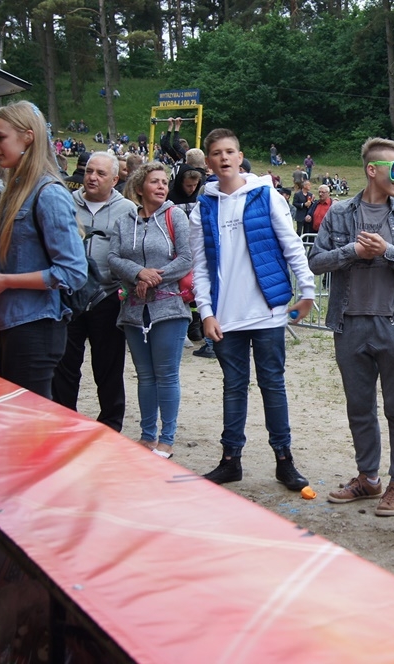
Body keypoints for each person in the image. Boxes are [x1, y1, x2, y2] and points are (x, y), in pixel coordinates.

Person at [189, 128, 313, 490]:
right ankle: (231, 460)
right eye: (216, 153)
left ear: (240, 157)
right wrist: (206, 312)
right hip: (225, 317)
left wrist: (307, 290)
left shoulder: (265, 194)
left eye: (230, 151)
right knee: (233, 386)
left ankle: (284, 461)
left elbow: (291, 244)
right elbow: (200, 267)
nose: (224, 158)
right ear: (208, 162)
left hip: (267, 311)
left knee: (273, 384)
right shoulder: (203, 207)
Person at [308, 137, 394, 516]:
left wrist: (387, 252)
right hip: (349, 324)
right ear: (372, 170)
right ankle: (368, 478)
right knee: (359, 407)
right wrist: (353, 252)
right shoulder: (340, 213)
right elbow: (316, 261)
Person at [0, 101, 87, 397]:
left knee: (27, 422)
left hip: (35, 327)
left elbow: (73, 272)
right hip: (11, 324)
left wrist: (3, 280)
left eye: (1, 137)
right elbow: (27, 256)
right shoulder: (18, 189)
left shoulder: (49, 193)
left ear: (28, 137)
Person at [108, 162, 192, 458]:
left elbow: (186, 258)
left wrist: (153, 277)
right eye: (155, 181)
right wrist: (138, 273)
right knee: (144, 376)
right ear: (140, 186)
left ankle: (166, 439)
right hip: (133, 310)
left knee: (166, 375)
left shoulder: (175, 215)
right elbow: (113, 258)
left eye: (164, 182)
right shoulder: (124, 221)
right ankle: (147, 436)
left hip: (169, 308)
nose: (161, 187)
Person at [52, 152, 137, 432]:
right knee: (65, 364)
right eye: (89, 171)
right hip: (70, 295)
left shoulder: (127, 209)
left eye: (101, 173)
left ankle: (110, 426)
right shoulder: (66, 202)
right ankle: (64, 421)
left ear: (115, 179)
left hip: (108, 297)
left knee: (108, 367)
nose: (92, 177)